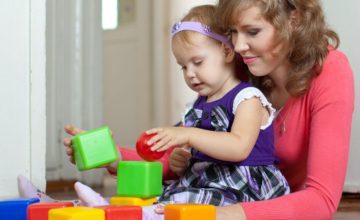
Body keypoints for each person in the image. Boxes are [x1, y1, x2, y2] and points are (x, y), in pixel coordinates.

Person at [18, 4, 289, 220]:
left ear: (227, 52)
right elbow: (159, 162)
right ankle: (61, 207)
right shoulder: (197, 107)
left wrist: (188, 136)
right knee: (153, 195)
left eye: (197, 62)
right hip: (203, 185)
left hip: (241, 191)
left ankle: (113, 212)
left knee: (170, 205)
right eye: (183, 66)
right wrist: (110, 156)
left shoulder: (248, 98)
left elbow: (239, 147)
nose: (190, 73)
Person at [184, 0, 354, 219]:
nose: (238, 46)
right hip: (223, 197)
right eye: (233, 32)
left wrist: (222, 215)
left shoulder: (331, 71)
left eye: (252, 32)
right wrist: (127, 155)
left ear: (293, 20)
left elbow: (322, 199)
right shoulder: (240, 65)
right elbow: (183, 146)